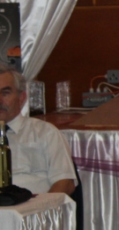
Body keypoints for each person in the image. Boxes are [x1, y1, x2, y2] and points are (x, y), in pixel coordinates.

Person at [0, 63, 76, 195]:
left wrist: (42, 206)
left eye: (5, 93)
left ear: (21, 98)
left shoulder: (45, 133)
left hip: (36, 205)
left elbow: (65, 183)